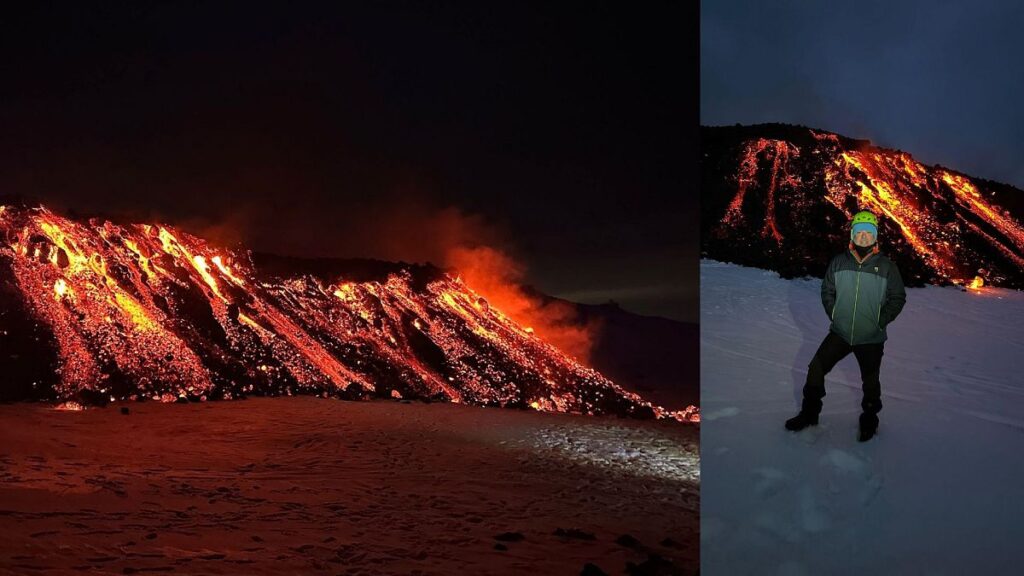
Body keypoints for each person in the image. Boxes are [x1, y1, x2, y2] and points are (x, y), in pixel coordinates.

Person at [785, 210, 906, 441]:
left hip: (871, 338)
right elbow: (827, 291)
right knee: (815, 369)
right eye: (859, 232)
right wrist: (835, 314)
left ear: (876, 236)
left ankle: (869, 420)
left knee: (870, 382)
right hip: (840, 333)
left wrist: (879, 321)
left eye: (868, 232)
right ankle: (809, 414)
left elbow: (897, 298)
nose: (863, 237)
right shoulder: (839, 262)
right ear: (851, 234)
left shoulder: (887, 266)